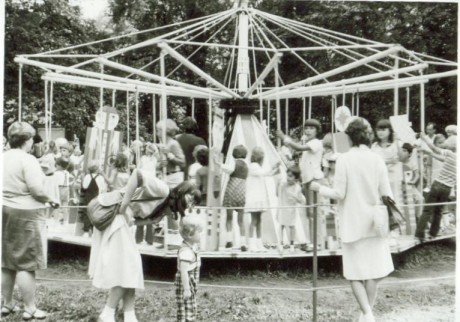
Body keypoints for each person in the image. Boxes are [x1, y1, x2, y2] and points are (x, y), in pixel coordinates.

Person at [311, 117, 394, 322]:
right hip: (375, 222)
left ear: (349, 137)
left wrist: (319, 188)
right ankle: (367, 314)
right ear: (368, 136)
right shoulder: (377, 159)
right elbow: (387, 194)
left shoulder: (345, 159)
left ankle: (367, 313)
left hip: (352, 222)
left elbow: (339, 193)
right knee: (374, 272)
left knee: (355, 274)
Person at [90, 169, 201, 322]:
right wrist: (125, 205)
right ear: (182, 191)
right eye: (191, 198)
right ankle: (107, 313)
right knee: (129, 267)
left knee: (131, 268)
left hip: (122, 221)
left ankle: (129, 315)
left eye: (194, 202)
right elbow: (137, 175)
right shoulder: (163, 190)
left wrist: (136, 221)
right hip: (113, 212)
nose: (191, 203)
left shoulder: (169, 208)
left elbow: (146, 220)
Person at [2, 121, 59, 320]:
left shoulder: (3, 157)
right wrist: (51, 199)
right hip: (26, 213)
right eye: (32, 137)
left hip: (5, 209)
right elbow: (36, 189)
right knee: (26, 264)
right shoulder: (28, 160)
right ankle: (30, 308)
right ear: (27, 140)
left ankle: (7, 304)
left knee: (7, 261)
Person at [277, 119, 324, 249]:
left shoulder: (316, 143)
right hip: (307, 180)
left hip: (314, 179)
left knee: (315, 211)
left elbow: (298, 147)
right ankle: (312, 241)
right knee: (309, 212)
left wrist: (284, 137)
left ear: (316, 131)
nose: (308, 130)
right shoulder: (308, 143)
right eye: (307, 128)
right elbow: (296, 152)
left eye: (312, 128)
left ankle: (318, 242)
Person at [415, 133, 456, 242]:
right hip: (447, 188)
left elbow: (434, 148)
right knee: (439, 211)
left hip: (437, 184)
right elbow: (441, 159)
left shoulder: (450, 154)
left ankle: (419, 234)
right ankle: (433, 233)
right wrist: (430, 154)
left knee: (427, 210)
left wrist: (425, 138)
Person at [215, 144, 249, 251]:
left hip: (232, 190)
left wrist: (219, 164)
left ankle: (229, 240)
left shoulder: (234, 162)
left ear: (235, 154)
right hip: (242, 191)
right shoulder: (246, 165)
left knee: (229, 218)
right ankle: (243, 242)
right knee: (241, 220)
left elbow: (229, 170)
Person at [246, 147, 280, 252]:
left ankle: (259, 243)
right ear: (260, 158)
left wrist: (275, 171)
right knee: (254, 220)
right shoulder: (253, 166)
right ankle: (252, 244)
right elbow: (264, 173)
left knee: (259, 220)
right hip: (254, 197)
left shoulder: (257, 168)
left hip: (259, 197)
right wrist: (274, 167)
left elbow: (267, 174)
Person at [175, 215, 204, 322]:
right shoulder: (186, 251)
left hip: (191, 282)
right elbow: (183, 271)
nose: (202, 234)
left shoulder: (192, 246)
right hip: (185, 283)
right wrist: (187, 289)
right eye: (199, 232)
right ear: (190, 235)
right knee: (186, 308)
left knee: (190, 306)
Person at [371, 119, 403, 206]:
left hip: (394, 178)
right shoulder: (374, 146)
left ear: (390, 131)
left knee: (396, 202)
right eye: (378, 130)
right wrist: (389, 161)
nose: (380, 132)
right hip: (380, 178)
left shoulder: (396, 143)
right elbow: (373, 162)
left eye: (383, 130)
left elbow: (402, 158)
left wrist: (396, 142)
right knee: (380, 202)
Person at [277, 165, 306, 253]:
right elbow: (277, 194)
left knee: (292, 226)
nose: (288, 178)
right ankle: (281, 243)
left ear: (296, 179)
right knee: (281, 225)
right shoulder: (283, 185)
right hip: (282, 208)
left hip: (291, 211)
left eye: (290, 176)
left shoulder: (297, 188)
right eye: (287, 175)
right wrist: (277, 184)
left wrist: (296, 198)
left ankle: (292, 244)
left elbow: (303, 201)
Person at [80, 161, 108, 237]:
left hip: (88, 198)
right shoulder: (100, 178)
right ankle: (93, 230)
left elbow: (85, 187)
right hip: (97, 198)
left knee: (87, 213)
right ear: (97, 169)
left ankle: (85, 231)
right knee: (95, 214)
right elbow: (103, 189)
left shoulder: (87, 176)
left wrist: (82, 179)